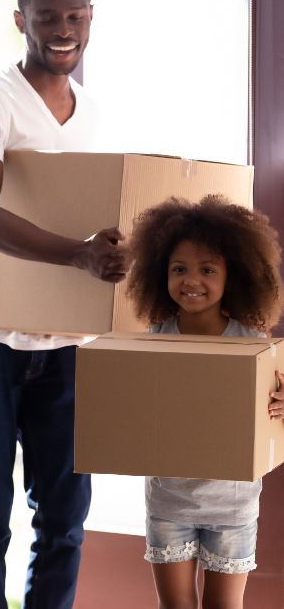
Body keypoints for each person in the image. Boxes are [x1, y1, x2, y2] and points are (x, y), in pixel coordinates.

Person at [0, 0, 126, 608]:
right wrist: (78, 255)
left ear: (90, 18)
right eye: (47, 17)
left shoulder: (93, 115)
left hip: (65, 335)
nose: (62, 29)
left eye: (75, 16)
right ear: (21, 20)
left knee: (65, 517)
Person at [125, 195, 284, 609]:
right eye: (179, 269)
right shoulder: (154, 341)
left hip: (233, 506)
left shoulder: (255, 346)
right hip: (169, 502)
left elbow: (273, 414)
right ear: (161, 274)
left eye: (207, 270)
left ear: (235, 276)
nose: (191, 280)